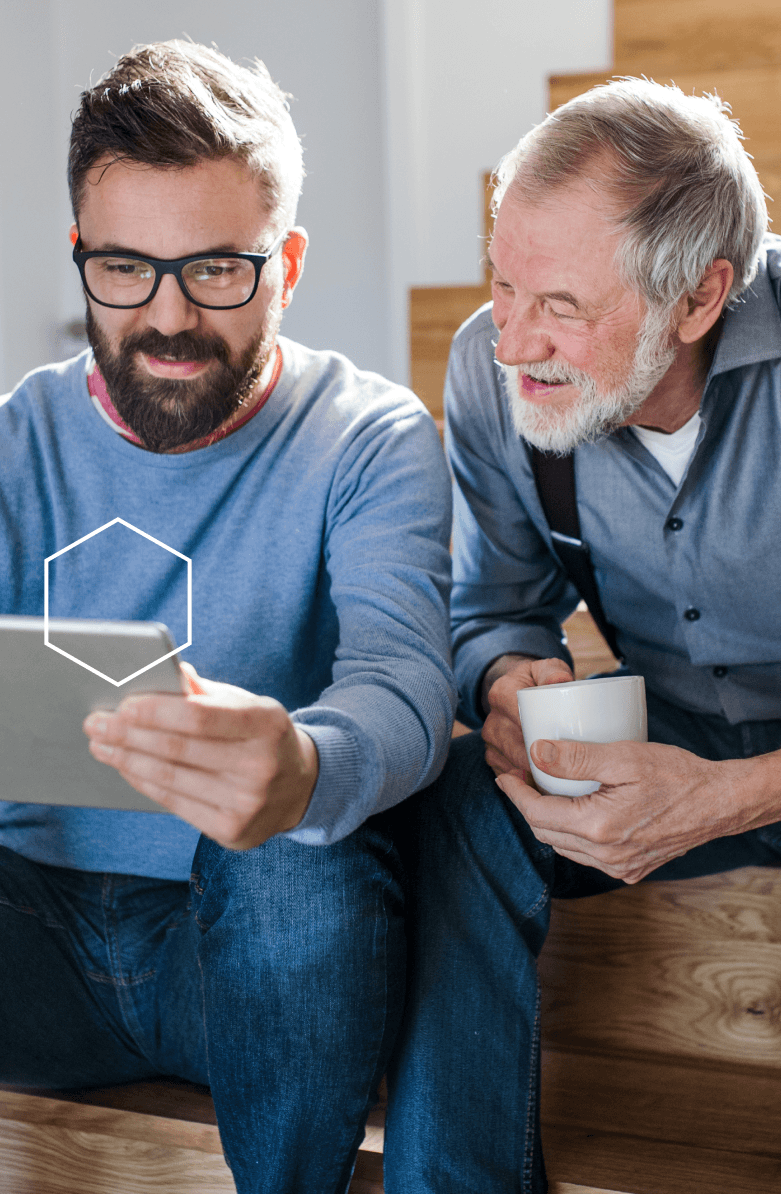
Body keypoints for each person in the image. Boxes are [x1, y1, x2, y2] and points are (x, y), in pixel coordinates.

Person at [0, 40, 455, 1193]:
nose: (167, 319)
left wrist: (307, 762)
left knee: (298, 854)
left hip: (250, 957)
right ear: (80, 259)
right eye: (125, 269)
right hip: (32, 937)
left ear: (287, 263)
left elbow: (405, 682)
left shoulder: (372, 436)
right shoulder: (17, 439)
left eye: (216, 271)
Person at [381, 78, 781, 1192]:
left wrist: (727, 797)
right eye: (500, 284)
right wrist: (504, 677)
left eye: (562, 306)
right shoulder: (501, 375)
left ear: (697, 297)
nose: (512, 338)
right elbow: (493, 607)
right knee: (446, 801)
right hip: (664, 730)